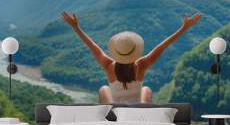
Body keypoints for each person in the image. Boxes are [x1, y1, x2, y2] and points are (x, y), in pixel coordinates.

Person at [61, 11, 201, 104]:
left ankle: (108, 120)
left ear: (116, 50)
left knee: (104, 89)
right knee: (146, 90)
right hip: (137, 111)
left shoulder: (108, 65)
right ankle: (146, 117)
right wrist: (184, 27)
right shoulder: (141, 65)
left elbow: (90, 44)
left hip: (115, 111)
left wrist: (76, 27)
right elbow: (164, 45)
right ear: (134, 50)